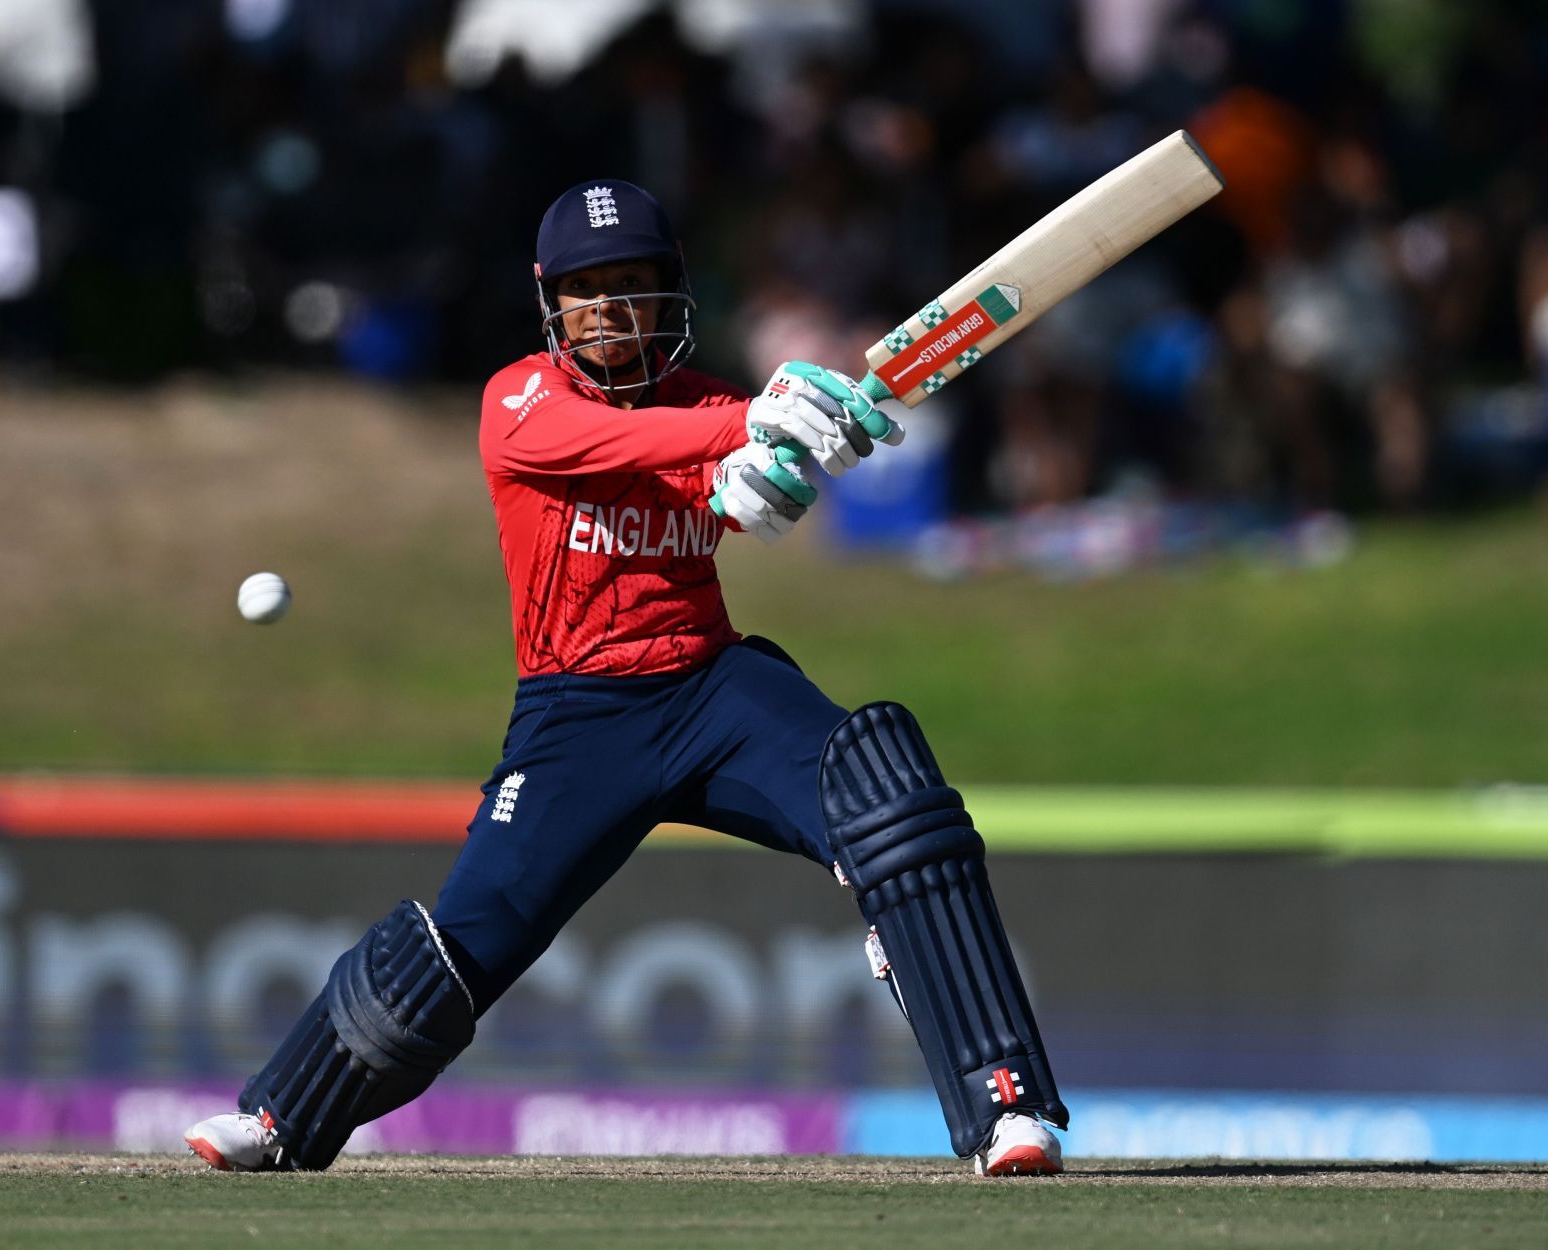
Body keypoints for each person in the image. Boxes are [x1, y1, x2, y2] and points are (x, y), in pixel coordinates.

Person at [185, 179, 1069, 1175]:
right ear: (550, 301)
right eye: (587, 289)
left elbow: (729, 487)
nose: (610, 309)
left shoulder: (707, 405)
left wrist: (771, 474)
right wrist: (749, 422)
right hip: (576, 717)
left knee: (891, 797)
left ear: (669, 296)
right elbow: (622, 443)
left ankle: (1009, 1109)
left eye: (633, 286)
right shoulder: (519, 401)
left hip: (712, 689)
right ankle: (282, 1115)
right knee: (465, 942)